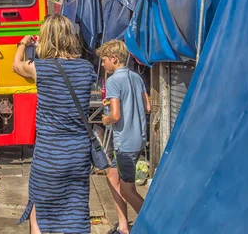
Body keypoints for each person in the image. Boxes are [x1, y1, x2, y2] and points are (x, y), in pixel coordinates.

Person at [13, 14, 97, 234]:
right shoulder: (87, 68)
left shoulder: (39, 68)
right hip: (78, 155)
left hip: (49, 155)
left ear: (45, 38)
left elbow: (16, 66)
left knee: (39, 208)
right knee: (76, 210)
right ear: (70, 37)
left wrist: (24, 42)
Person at [96, 40, 151, 234]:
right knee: (112, 176)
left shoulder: (113, 81)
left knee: (128, 189)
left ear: (114, 59)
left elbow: (116, 115)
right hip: (138, 137)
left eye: (104, 61)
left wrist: (106, 118)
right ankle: (123, 226)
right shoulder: (136, 77)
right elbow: (147, 107)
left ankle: (151, 226)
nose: (103, 65)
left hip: (124, 142)